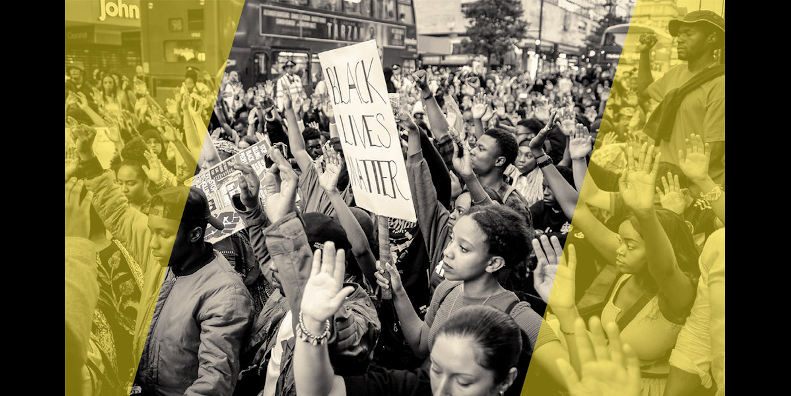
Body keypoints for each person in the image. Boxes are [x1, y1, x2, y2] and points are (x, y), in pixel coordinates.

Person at [71, 124, 255, 396]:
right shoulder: (163, 255)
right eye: (152, 231)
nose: (152, 241)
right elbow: (119, 212)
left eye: (163, 234)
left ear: (194, 234)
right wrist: (88, 159)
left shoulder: (225, 295)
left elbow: (214, 384)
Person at [295, 243, 524, 396]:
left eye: (463, 382)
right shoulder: (418, 387)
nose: (440, 391)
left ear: (504, 381)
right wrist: (313, 323)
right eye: (436, 369)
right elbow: (321, 392)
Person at [637, 10, 725, 188]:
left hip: (697, 189)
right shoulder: (676, 73)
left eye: (688, 34)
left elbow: (714, 151)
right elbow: (643, 91)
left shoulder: (720, 84)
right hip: (668, 181)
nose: (679, 39)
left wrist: (675, 183)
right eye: (679, 34)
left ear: (712, 38)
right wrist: (644, 54)